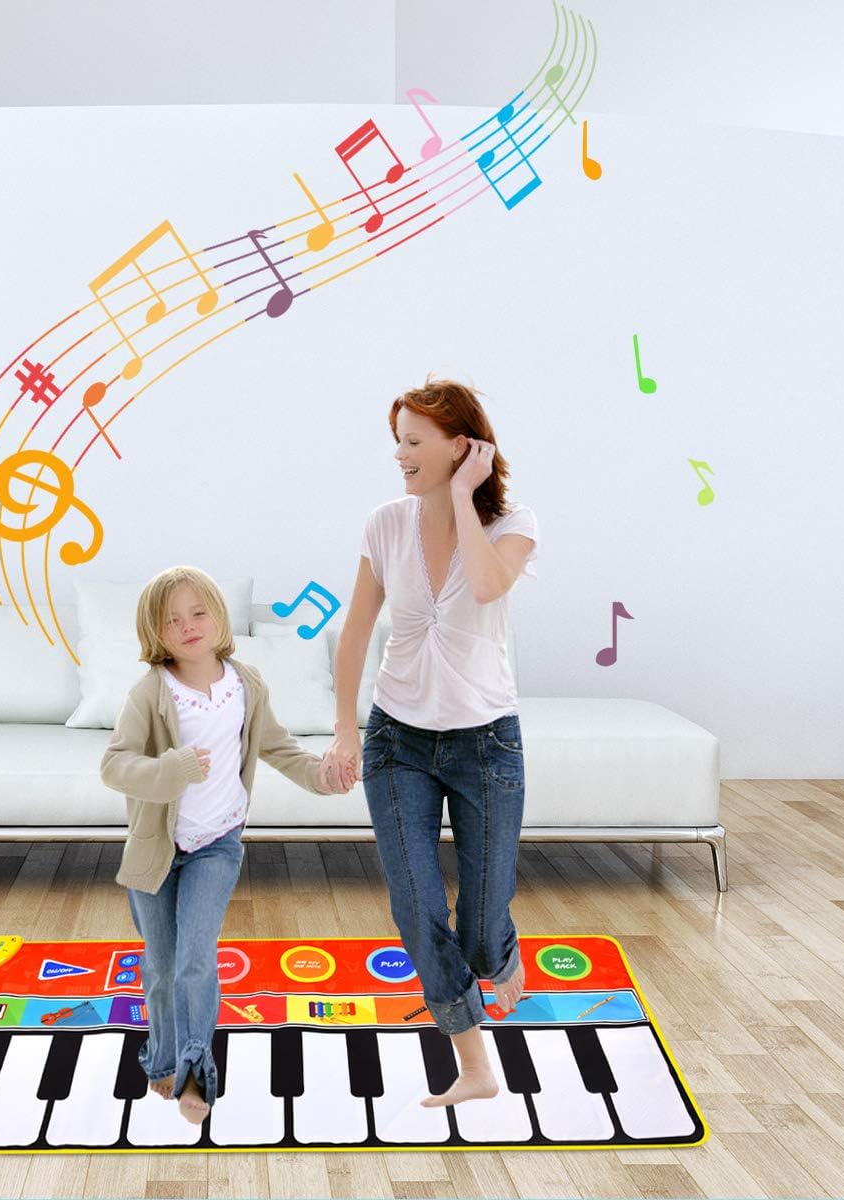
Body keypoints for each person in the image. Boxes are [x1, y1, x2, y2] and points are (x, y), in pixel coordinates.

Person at [320, 377, 539, 1108]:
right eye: (398, 442)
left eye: (415, 443)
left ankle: (499, 957)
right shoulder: (385, 523)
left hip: (486, 744)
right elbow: (354, 632)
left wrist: (468, 500)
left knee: (479, 929)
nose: (401, 456)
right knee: (416, 905)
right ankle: (474, 1064)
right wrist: (347, 729)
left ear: (461, 445)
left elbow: (483, 588)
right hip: (397, 740)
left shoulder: (513, 521)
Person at [101, 565, 352, 1125]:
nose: (187, 626)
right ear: (155, 633)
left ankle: (195, 1070)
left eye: (198, 612)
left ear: (218, 616)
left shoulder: (247, 683)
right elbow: (114, 766)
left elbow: (279, 748)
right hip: (156, 852)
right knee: (161, 966)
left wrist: (322, 777)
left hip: (217, 843)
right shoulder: (150, 692)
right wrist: (173, 768)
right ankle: (161, 1056)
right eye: (171, 620)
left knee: (195, 960)